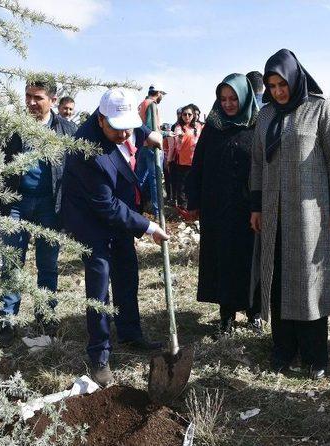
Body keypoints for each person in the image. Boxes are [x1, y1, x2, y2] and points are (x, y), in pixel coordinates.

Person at [250, 49, 330, 379]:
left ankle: (314, 354)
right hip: (273, 209)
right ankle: (282, 349)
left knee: (308, 279)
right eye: (272, 85)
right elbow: (257, 163)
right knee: (278, 276)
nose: (278, 91)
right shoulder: (265, 116)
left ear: (295, 79)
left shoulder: (320, 109)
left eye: (283, 84)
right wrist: (256, 205)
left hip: (310, 210)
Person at [62, 88, 169, 386]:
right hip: (90, 217)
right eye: (117, 129)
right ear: (101, 120)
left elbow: (136, 130)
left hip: (120, 210)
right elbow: (105, 206)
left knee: (127, 271)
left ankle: (131, 333)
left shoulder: (127, 128)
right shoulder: (86, 151)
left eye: (129, 129)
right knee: (100, 282)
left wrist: (149, 135)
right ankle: (99, 355)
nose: (125, 135)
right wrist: (148, 227)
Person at [0, 78, 77, 346]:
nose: (31, 102)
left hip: (50, 207)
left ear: (53, 100)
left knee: (48, 264)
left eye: (37, 97)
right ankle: (7, 321)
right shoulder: (13, 129)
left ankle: (46, 315)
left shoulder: (66, 129)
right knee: (11, 263)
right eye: (27, 96)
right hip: (16, 204)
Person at [186, 73, 261, 336]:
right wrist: (193, 200)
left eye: (233, 98)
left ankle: (255, 313)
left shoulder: (258, 125)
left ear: (245, 97)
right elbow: (198, 166)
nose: (228, 104)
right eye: (223, 99)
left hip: (250, 209)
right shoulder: (213, 127)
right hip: (217, 208)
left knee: (251, 260)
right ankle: (226, 317)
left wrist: (260, 204)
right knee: (224, 259)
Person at [137, 84, 170, 218]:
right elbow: (151, 129)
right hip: (152, 147)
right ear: (158, 92)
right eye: (162, 94)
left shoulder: (142, 103)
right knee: (155, 178)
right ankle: (158, 212)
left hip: (142, 146)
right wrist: (166, 134)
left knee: (140, 179)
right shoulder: (152, 104)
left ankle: (135, 206)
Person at [171, 105, 203, 207]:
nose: (187, 116)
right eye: (185, 114)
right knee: (182, 187)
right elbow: (177, 145)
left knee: (195, 185)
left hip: (196, 161)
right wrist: (180, 138)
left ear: (193, 115)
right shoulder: (179, 127)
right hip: (183, 162)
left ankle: (195, 207)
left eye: (189, 114)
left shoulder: (198, 127)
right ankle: (183, 210)